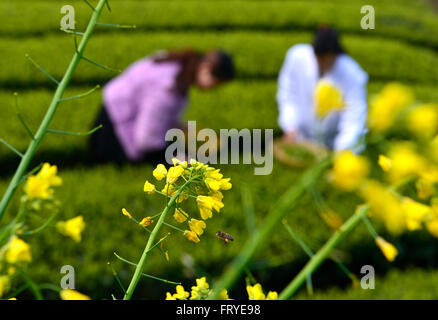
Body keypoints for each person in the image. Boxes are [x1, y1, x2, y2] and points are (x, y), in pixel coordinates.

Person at [90, 49, 234, 163]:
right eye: (216, 82)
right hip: (115, 132)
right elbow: (147, 141)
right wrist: (181, 161)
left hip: (112, 111)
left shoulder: (177, 64)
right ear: (205, 68)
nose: (214, 88)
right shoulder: (168, 88)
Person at [276, 26, 368, 152]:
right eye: (322, 57)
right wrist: (290, 126)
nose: (326, 62)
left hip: (333, 142)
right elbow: (288, 94)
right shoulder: (297, 58)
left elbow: (354, 115)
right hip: (301, 139)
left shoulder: (352, 74)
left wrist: (343, 149)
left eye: (330, 57)